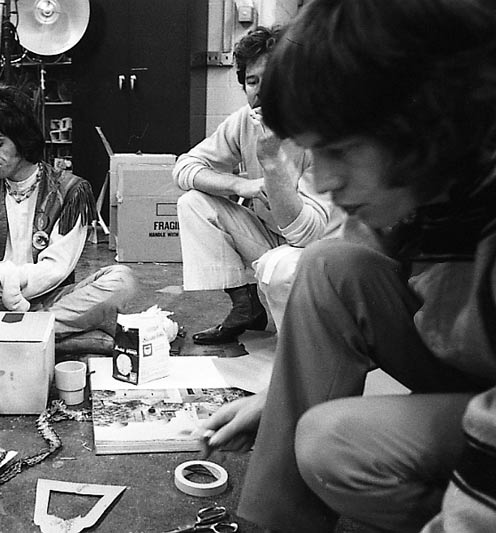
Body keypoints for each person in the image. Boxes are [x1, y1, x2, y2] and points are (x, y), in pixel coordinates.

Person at [199, 1, 496, 532]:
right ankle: (276, 524)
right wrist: (278, 398)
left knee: (337, 446)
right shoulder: (415, 190)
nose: (325, 180)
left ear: (425, 120)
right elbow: (339, 277)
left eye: (339, 150)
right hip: (471, 373)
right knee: (329, 265)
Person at [0, 86, 137, 355]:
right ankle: (57, 337)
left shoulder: (70, 191)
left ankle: (20, 337)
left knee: (123, 280)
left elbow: (56, 269)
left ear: (22, 139)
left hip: (55, 299)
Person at [173, 26, 342, 345]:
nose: (261, 92)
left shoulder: (321, 130)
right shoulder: (244, 121)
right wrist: (241, 185)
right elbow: (185, 168)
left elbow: (307, 234)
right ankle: (246, 307)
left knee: (281, 266)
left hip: (320, 251)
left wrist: (271, 159)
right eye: (252, 82)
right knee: (193, 203)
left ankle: (304, 342)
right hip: (272, 235)